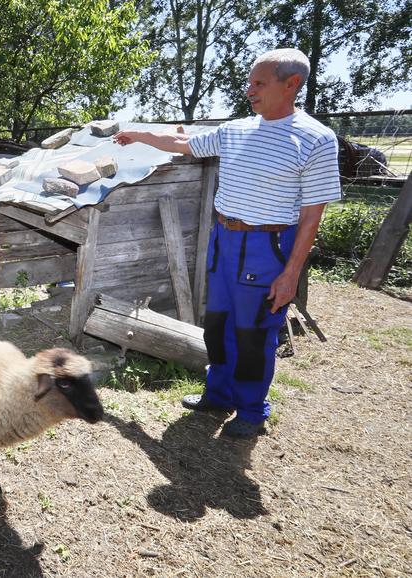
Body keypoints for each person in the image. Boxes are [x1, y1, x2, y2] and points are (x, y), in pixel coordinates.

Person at [112, 48, 341, 438]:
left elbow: (311, 215)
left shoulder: (316, 139)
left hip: (267, 246)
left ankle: (252, 411)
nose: (250, 90)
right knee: (217, 324)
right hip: (224, 240)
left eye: (259, 83)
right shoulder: (236, 130)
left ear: (291, 84)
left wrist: (290, 274)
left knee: (254, 332)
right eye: (250, 82)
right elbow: (183, 142)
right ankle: (218, 394)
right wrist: (137, 132)